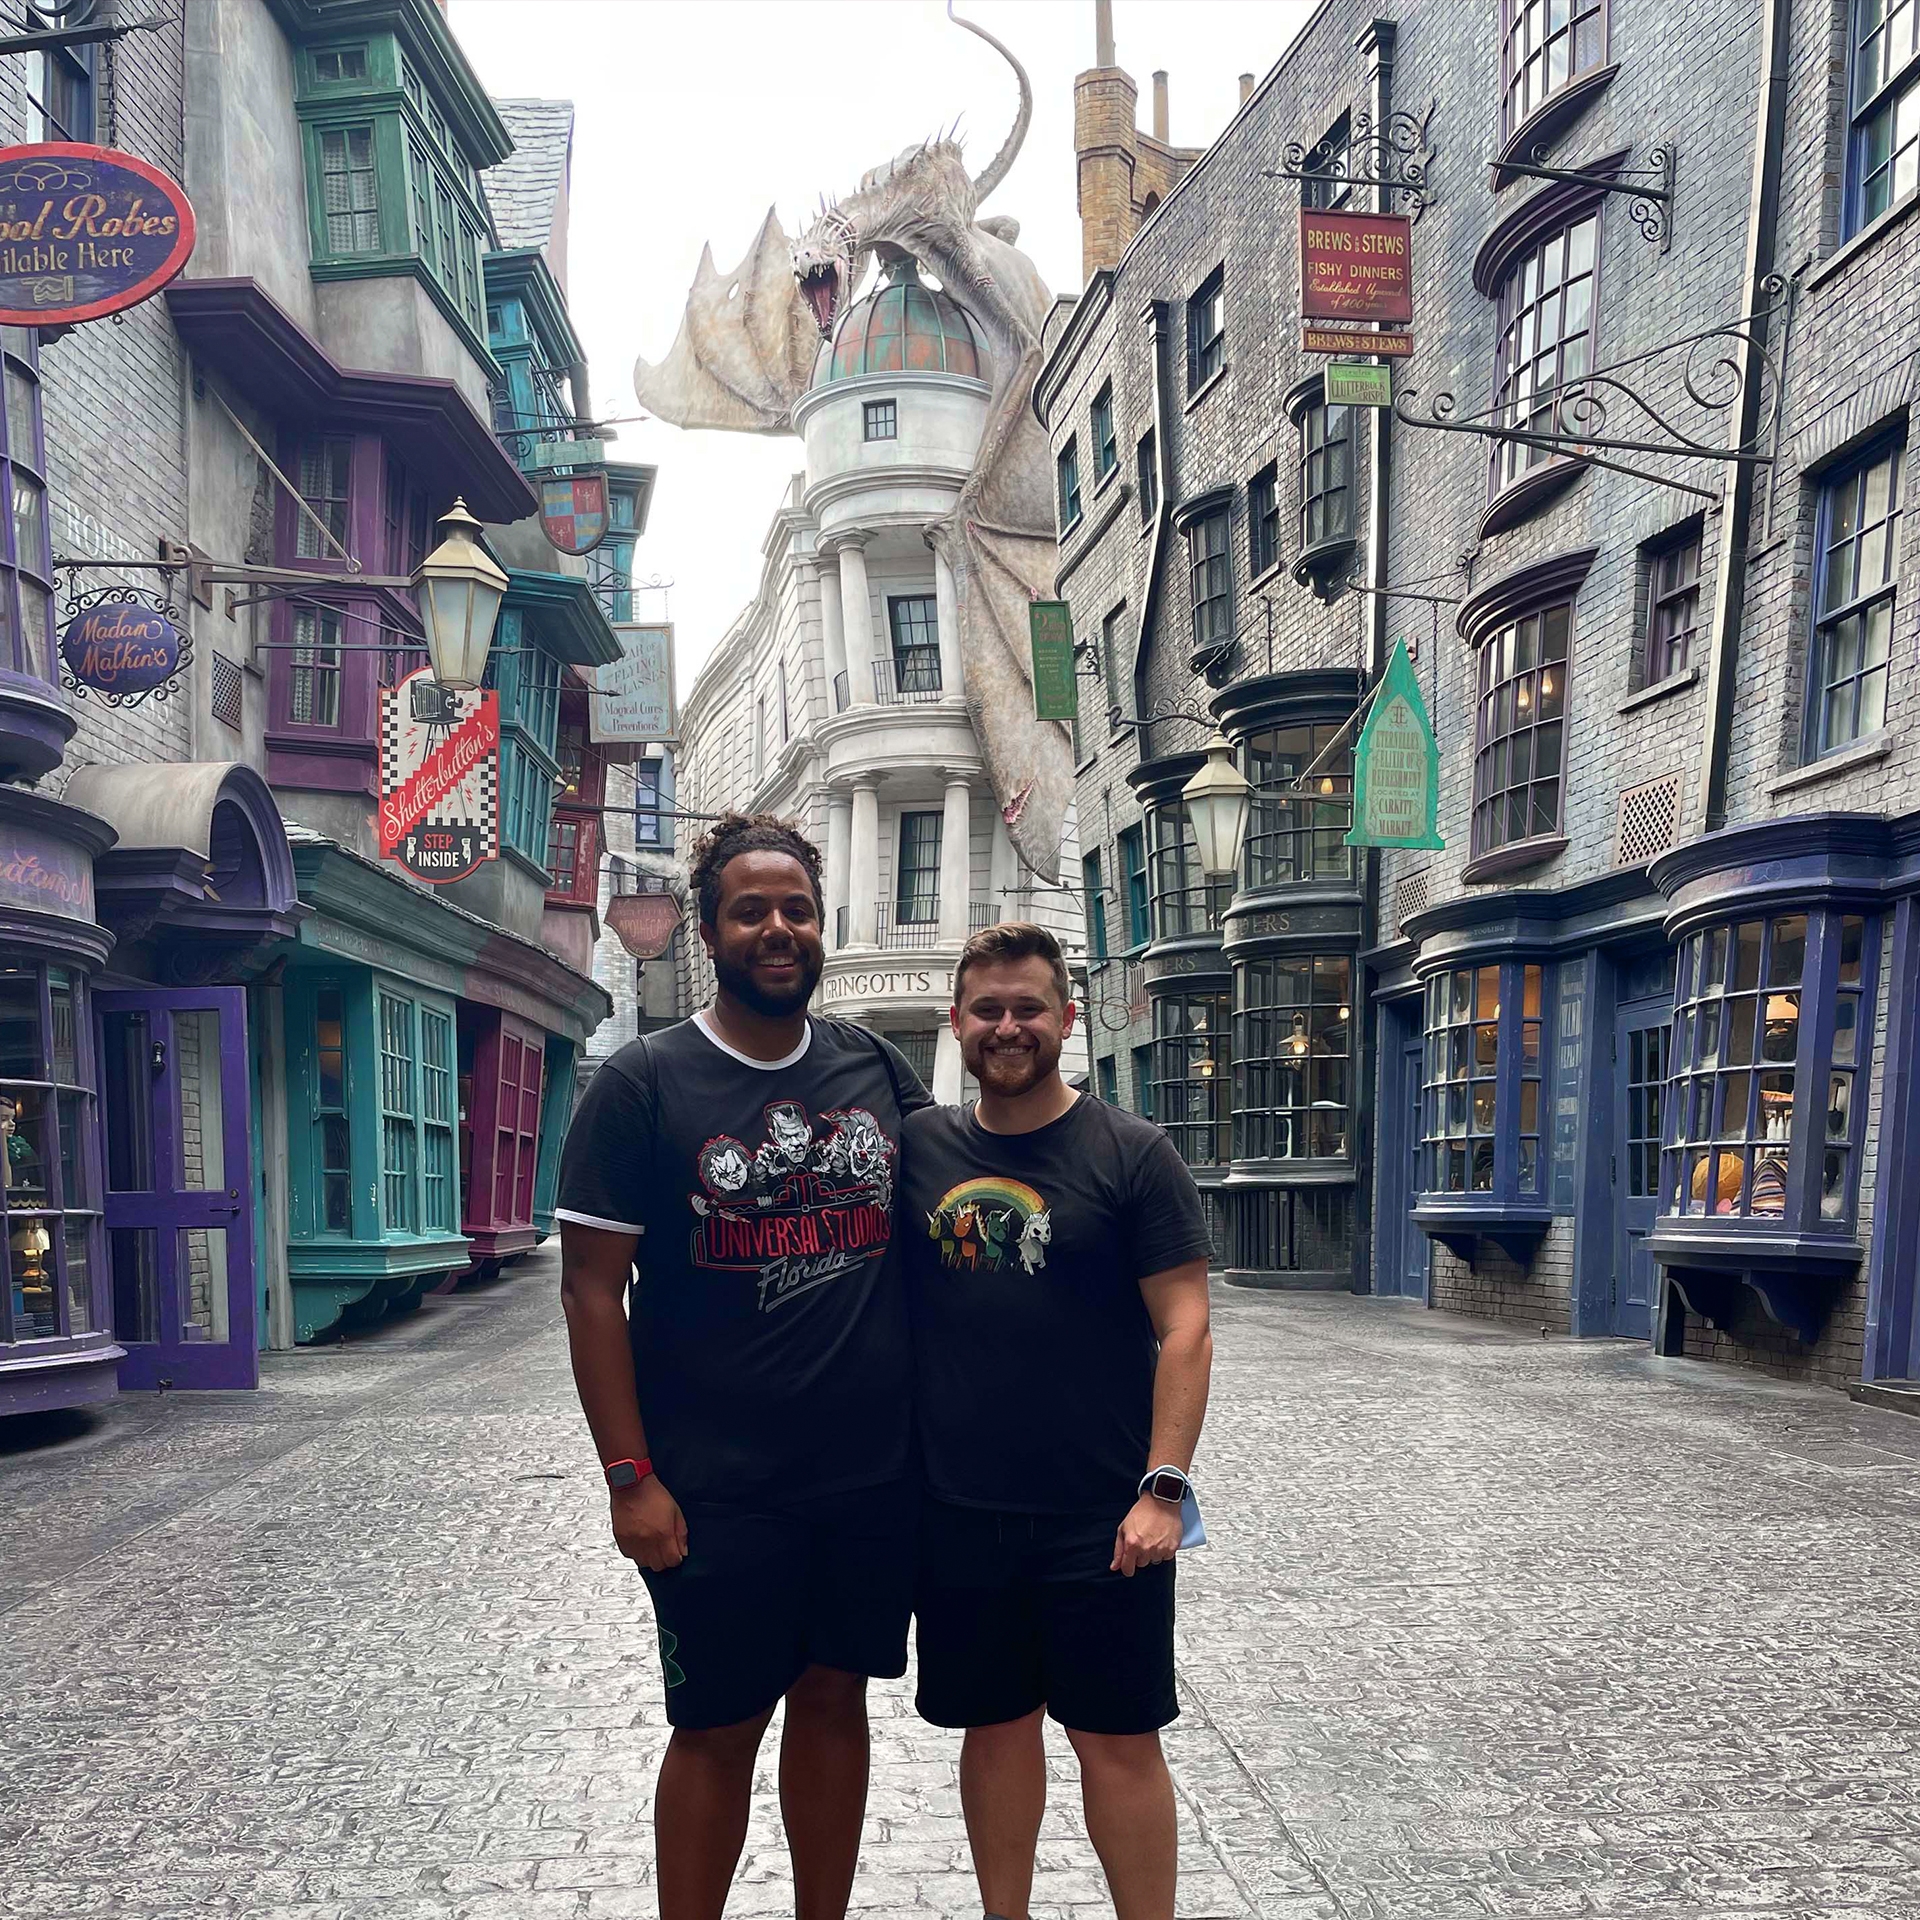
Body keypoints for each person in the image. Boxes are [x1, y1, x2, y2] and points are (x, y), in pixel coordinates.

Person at [555, 811, 930, 1920]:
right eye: (751, 910)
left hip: (866, 1478)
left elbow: (952, 1223)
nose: (778, 929)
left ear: (823, 925)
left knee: (834, 1699)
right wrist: (631, 1476)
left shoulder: (875, 1068)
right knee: (715, 1728)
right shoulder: (642, 1086)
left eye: (797, 910)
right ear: (710, 933)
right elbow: (589, 1293)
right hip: (713, 1485)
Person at [900, 921, 1215, 1920]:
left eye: (1028, 1007)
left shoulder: (1133, 1153)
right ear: (956, 1023)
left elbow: (1187, 1326)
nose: (1007, 1026)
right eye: (987, 1009)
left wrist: (1163, 1490)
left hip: (1101, 1516)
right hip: (957, 1509)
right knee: (993, 1731)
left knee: (1117, 1741)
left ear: (1066, 1020)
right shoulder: (920, 1150)